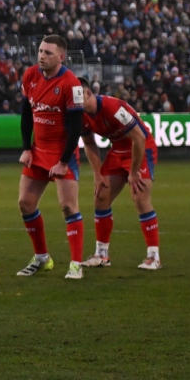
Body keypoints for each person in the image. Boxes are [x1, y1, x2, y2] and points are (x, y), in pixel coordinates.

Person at [16, 35, 87, 280]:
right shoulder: (30, 76)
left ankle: (76, 264)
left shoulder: (72, 84)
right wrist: (26, 147)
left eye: (48, 52)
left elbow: (76, 127)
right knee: (25, 203)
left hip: (63, 153)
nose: (42, 56)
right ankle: (42, 258)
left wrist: (64, 161)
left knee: (68, 206)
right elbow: (26, 114)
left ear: (61, 57)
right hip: (38, 151)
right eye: (40, 51)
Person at [78, 80, 161, 270]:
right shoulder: (80, 115)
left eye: (78, 96)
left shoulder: (114, 107)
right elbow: (89, 144)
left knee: (140, 198)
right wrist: (97, 174)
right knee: (101, 197)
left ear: (89, 93)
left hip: (141, 148)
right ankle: (101, 254)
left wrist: (133, 172)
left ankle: (154, 256)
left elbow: (139, 137)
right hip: (118, 151)